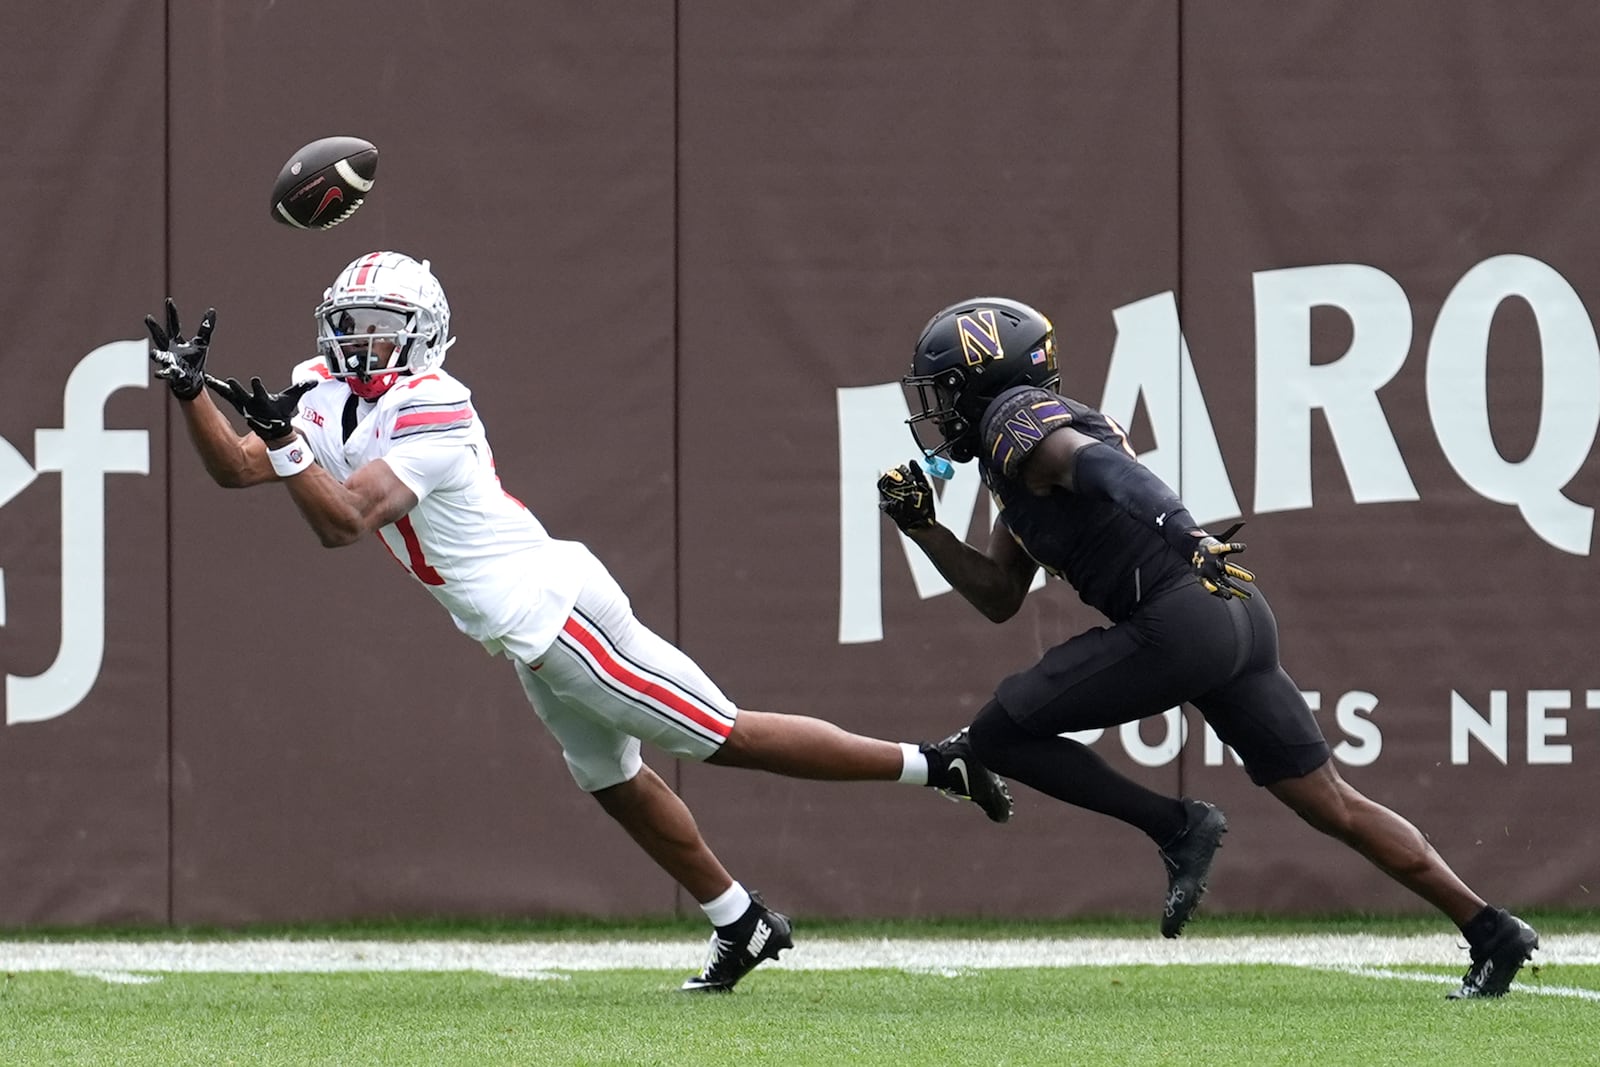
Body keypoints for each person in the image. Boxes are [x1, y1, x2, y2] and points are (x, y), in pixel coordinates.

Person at [143, 251, 1013, 994]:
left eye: (380, 324)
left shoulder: (436, 401)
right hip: (525, 628)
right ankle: (741, 920)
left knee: (723, 736)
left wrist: (291, 447)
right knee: (610, 779)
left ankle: (938, 763)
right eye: (351, 322)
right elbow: (239, 469)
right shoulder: (320, 390)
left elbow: (343, 519)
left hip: (556, 609)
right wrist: (190, 397)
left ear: (425, 334)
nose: (359, 340)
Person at [875, 296, 1539, 999]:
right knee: (1331, 803)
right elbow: (1003, 594)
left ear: (988, 376)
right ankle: (1489, 926)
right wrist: (926, 530)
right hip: (1230, 612)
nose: (939, 409)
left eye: (946, 389)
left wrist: (1184, 530)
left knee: (999, 732)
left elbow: (1100, 466)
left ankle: (1177, 824)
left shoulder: (1015, 417)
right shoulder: (1009, 459)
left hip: (1179, 613)